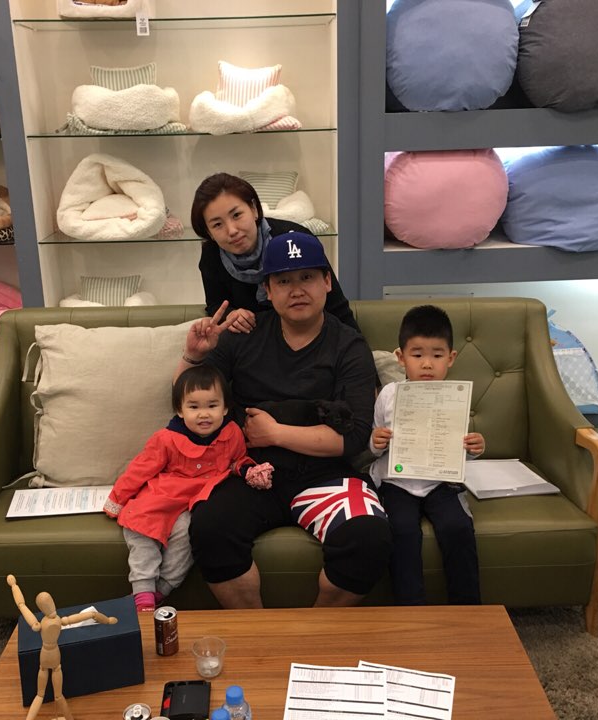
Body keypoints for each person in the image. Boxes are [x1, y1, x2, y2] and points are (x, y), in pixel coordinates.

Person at [176, 230, 391, 609]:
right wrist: (193, 357)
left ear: (327, 282)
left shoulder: (349, 345)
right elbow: (187, 404)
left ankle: (315, 632)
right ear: (267, 290)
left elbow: (354, 437)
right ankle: (259, 631)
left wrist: (275, 433)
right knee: (210, 526)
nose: (297, 290)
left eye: (307, 277)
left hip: (325, 476)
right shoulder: (243, 336)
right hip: (250, 473)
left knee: (369, 534)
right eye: (284, 281)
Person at [103, 365, 273, 612]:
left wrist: (248, 470)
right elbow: (140, 469)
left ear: (225, 408)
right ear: (180, 410)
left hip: (193, 504)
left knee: (187, 537)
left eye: (212, 406)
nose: (204, 414)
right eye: (194, 407)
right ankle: (142, 592)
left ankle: (161, 590)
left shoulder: (231, 433)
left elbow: (236, 460)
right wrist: (117, 499)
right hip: (162, 497)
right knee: (142, 531)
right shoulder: (166, 438)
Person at [368, 305, 486, 606]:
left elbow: (456, 448)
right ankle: (411, 609)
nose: (427, 364)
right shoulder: (389, 394)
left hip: (440, 481)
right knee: (402, 530)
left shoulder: (454, 397)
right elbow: (374, 440)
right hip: (398, 482)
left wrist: (474, 449)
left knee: (458, 527)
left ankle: (468, 610)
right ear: (401, 357)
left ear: (451, 358)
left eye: (437, 355)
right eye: (417, 354)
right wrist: (377, 442)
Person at [191, 172, 360, 334]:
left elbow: (335, 306)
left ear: (254, 209)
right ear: (208, 232)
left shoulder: (294, 239)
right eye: (217, 225)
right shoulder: (212, 255)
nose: (232, 230)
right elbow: (215, 304)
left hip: (308, 336)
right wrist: (231, 315)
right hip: (251, 342)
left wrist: (356, 346)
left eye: (236, 215)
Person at [7, 574, 117, 720]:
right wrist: (107, 620)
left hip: (44, 657)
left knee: (40, 694)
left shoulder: (38, 624)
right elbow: (90, 615)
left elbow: (22, 606)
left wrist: (14, 586)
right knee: (58, 695)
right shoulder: (60, 621)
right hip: (55, 657)